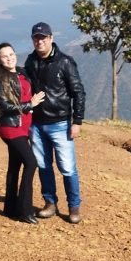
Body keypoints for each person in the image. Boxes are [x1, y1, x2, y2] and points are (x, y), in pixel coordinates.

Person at [24, 22, 86, 224]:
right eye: (36, 37)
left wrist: (77, 121)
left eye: (43, 37)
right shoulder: (31, 61)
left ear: (51, 38)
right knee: (43, 166)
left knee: (67, 168)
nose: (39, 41)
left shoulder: (65, 62)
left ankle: (74, 207)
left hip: (60, 124)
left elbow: (78, 92)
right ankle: (50, 203)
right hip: (36, 124)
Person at [0, 42, 45, 224]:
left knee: (15, 165)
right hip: (10, 128)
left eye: (11, 54)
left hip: (23, 126)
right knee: (31, 162)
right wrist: (30, 105)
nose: (9, 58)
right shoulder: (0, 79)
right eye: (5, 56)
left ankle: (10, 208)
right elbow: (6, 106)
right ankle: (25, 209)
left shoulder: (21, 72)